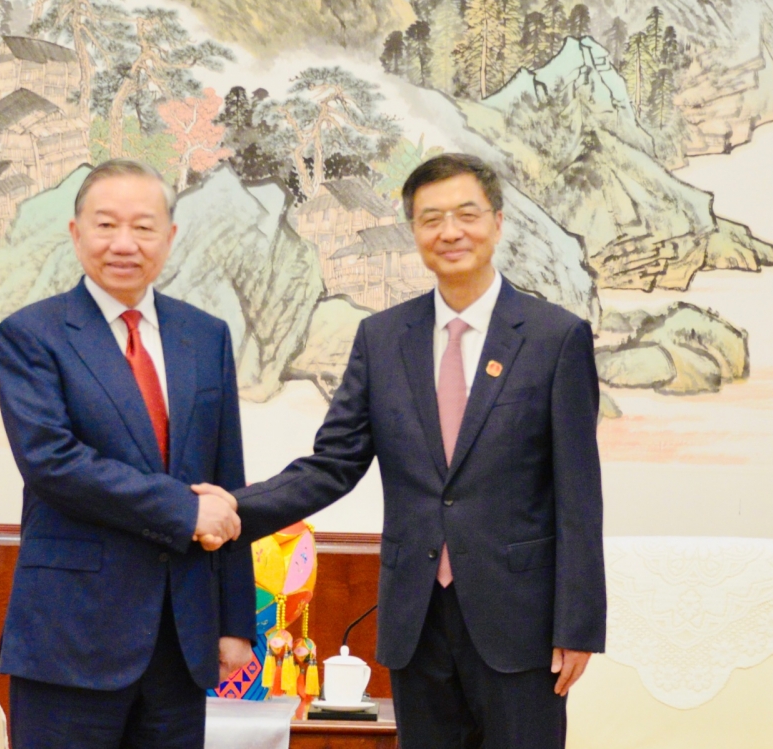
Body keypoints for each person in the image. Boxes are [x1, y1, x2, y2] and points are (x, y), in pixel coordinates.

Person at [196, 153, 606, 748]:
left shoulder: (555, 337)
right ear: (414, 231)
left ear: (496, 221)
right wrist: (231, 508)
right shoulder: (383, 338)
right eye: (431, 218)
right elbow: (333, 463)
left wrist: (578, 625)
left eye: (467, 214)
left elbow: (578, 494)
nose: (450, 231)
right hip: (416, 616)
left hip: (522, 622)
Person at [0, 159, 255, 749]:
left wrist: (236, 619)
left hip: (182, 636)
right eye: (106, 225)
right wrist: (182, 511)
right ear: (76, 232)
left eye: (142, 227)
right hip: (71, 636)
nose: (123, 244)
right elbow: (52, 462)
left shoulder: (205, 335)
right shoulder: (32, 335)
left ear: (169, 237)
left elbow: (225, 481)